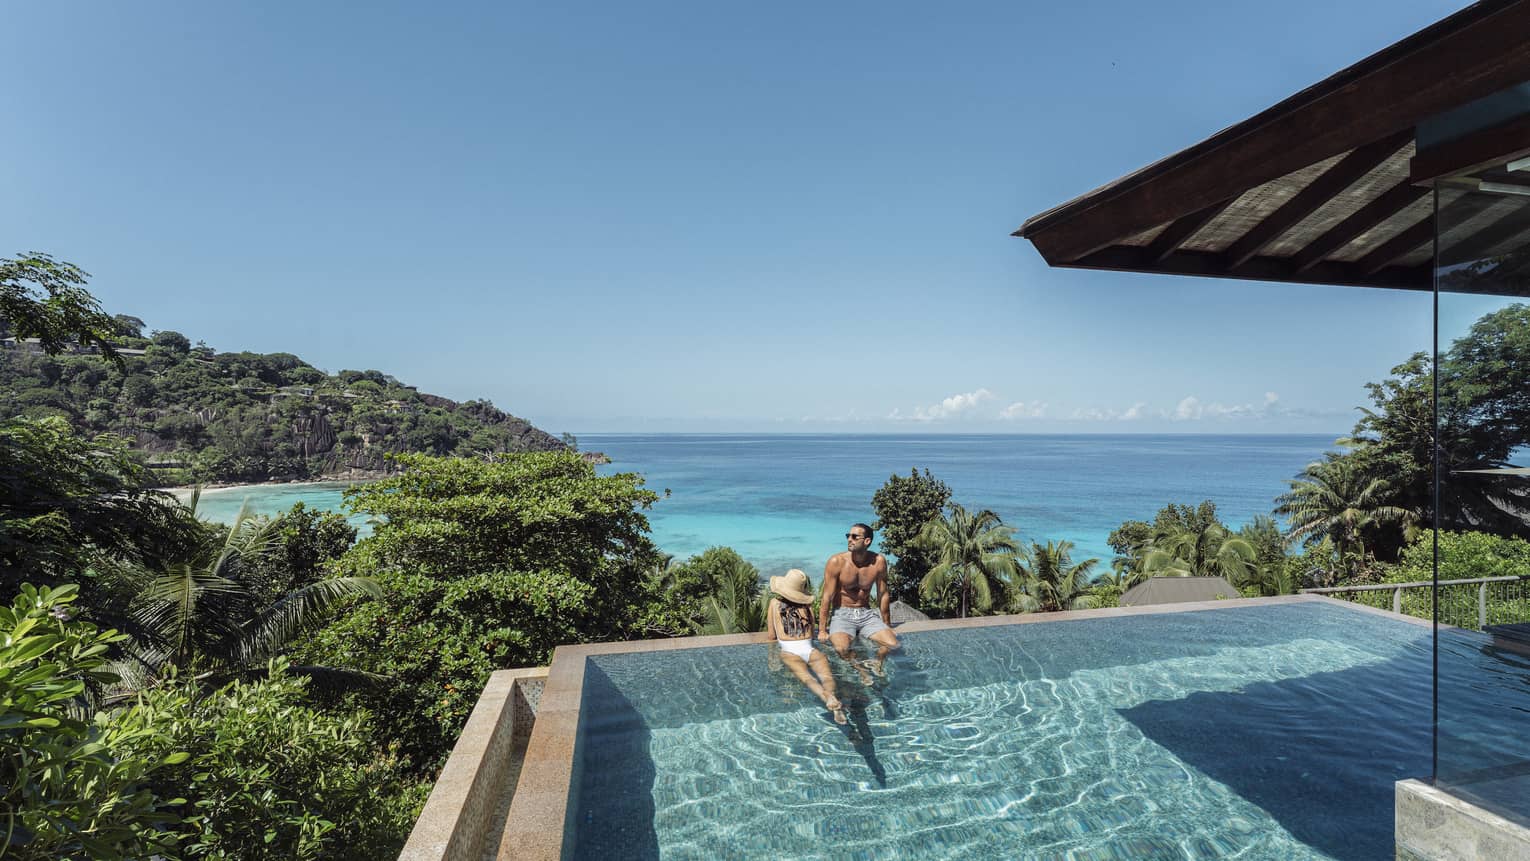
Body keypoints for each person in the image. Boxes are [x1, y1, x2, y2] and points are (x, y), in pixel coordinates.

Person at [766, 568, 846, 724]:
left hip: (789, 651)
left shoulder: (774, 603)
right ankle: (832, 698)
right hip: (810, 649)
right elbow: (812, 632)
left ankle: (826, 698)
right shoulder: (807, 606)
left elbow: (771, 636)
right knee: (827, 677)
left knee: (808, 679)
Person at [819, 523, 900, 673]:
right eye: (848, 536)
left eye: (855, 537)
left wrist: (887, 624)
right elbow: (827, 596)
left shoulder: (878, 562)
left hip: (866, 614)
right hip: (842, 614)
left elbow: (883, 594)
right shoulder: (836, 562)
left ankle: (877, 663)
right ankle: (861, 669)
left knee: (893, 644)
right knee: (841, 649)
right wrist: (822, 630)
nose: (849, 539)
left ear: (867, 541)